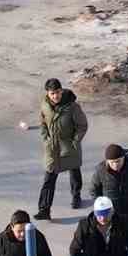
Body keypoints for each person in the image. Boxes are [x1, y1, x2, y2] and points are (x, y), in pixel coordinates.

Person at [37, 78, 88, 220]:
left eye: (58, 92)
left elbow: (82, 125)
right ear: (48, 93)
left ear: (61, 90)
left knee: (74, 170)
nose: (56, 96)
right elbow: (42, 121)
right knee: (49, 178)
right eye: (52, 93)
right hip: (52, 148)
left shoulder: (72, 107)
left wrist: (75, 142)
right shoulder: (45, 105)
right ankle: (44, 209)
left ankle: (76, 196)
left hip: (69, 146)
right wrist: (45, 137)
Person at [91, 144, 128, 230]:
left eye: (118, 161)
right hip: (111, 215)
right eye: (112, 162)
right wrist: (103, 207)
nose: (115, 165)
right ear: (107, 161)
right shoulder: (101, 170)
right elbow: (94, 190)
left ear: (124, 158)